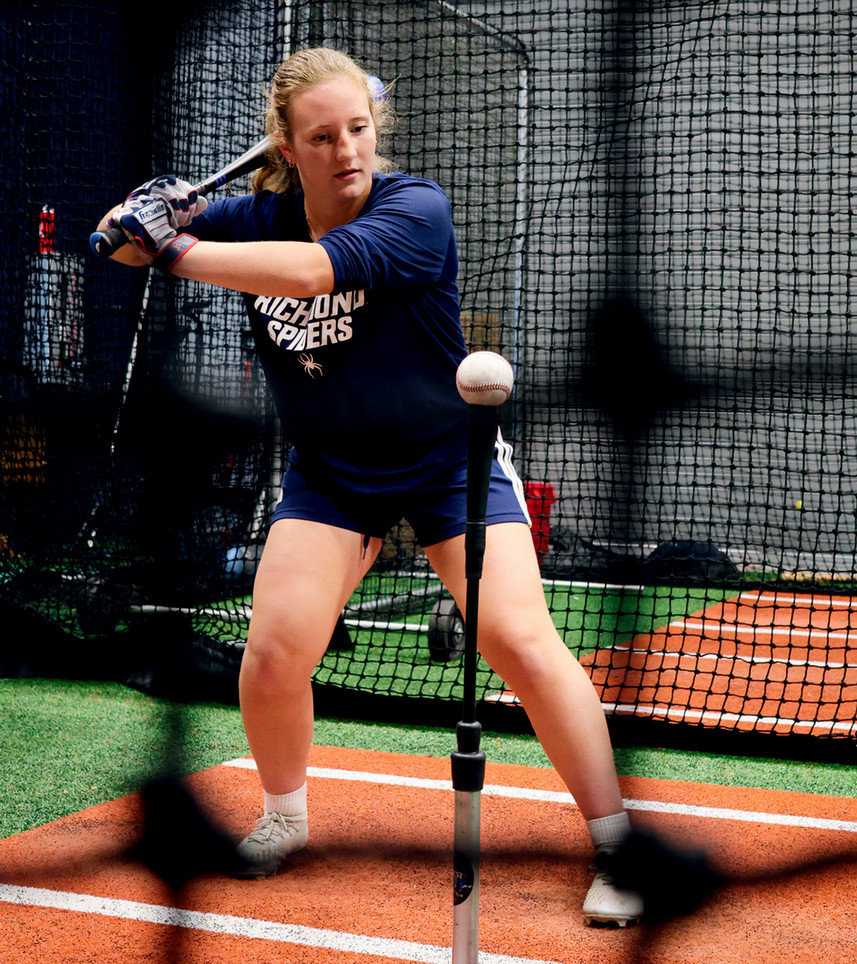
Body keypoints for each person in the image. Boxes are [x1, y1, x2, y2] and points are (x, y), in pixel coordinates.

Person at [96, 46, 643, 927]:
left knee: (515, 639)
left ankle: (619, 841)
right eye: (322, 135)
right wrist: (139, 216)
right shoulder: (254, 213)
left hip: (443, 459)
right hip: (335, 471)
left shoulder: (414, 207)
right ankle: (283, 816)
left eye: (358, 128)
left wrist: (178, 249)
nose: (347, 149)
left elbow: (313, 272)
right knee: (273, 654)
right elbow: (118, 248)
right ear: (288, 143)